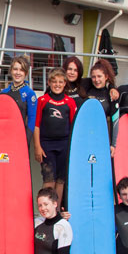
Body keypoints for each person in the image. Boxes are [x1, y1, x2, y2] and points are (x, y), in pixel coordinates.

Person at [33, 69, 78, 201]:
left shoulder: (70, 102)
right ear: (49, 83)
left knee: (60, 180)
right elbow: (36, 125)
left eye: (60, 82)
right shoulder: (42, 100)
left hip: (64, 145)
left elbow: (73, 127)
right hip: (46, 145)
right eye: (54, 82)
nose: (57, 85)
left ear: (65, 83)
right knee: (49, 179)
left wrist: (72, 149)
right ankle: (46, 210)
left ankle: (56, 212)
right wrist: (37, 147)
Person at [0, 55, 37, 138]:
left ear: (26, 73)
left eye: (21, 70)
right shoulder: (4, 92)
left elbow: (32, 119)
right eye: (15, 69)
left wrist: (25, 141)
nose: (18, 73)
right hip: (4, 137)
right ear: (11, 71)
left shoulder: (30, 93)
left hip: (21, 139)